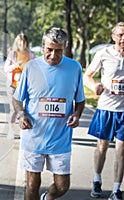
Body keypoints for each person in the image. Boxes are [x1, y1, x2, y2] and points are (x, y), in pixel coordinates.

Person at [12, 27, 85, 200]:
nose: (53, 55)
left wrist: (77, 114)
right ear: (43, 46)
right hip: (34, 137)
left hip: (60, 138)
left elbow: (80, 100)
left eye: (58, 51)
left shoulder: (74, 68)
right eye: (49, 50)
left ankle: (47, 198)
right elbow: (17, 99)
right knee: (32, 184)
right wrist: (22, 115)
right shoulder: (31, 67)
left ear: (65, 48)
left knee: (62, 186)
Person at [84, 22, 124, 200]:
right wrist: (95, 86)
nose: (123, 39)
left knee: (121, 151)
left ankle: (116, 189)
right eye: (120, 35)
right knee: (102, 147)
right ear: (114, 36)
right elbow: (87, 76)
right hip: (106, 108)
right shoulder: (104, 53)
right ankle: (97, 178)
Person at [4, 33, 35, 139]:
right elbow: (6, 68)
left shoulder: (31, 55)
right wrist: (14, 66)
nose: (22, 44)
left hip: (26, 85)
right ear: (17, 43)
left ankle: (24, 130)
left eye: (24, 41)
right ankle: (11, 130)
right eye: (20, 41)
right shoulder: (13, 54)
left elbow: (34, 69)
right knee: (13, 109)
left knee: (25, 109)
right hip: (13, 84)